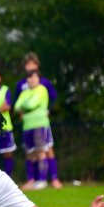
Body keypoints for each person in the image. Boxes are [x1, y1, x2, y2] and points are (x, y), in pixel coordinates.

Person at [14, 52, 62, 188]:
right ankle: (32, 180)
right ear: (25, 66)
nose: (30, 66)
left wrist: (49, 111)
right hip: (27, 123)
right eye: (28, 64)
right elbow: (17, 103)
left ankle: (53, 178)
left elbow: (53, 98)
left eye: (33, 64)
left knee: (47, 149)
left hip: (41, 122)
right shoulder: (21, 84)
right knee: (30, 152)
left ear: (37, 65)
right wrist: (21, 112)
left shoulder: (44, 82)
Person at [14, 71, 51, 190]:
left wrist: (25, 105)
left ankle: (42, 180)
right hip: (27, 126)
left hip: (39, 124)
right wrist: (27, 105)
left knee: (40, 151)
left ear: (39, 79)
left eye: (34, 77)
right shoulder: (24, 92)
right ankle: (32, 180)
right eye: (29, 78)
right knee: (30, 154)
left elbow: (31, 104)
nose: (31, 80)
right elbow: (16, 107)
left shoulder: (42, 89)